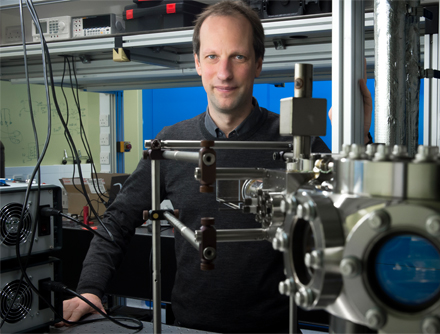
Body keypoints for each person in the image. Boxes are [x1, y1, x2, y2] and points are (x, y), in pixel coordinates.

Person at [59, 0, 372, 332]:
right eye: (212, 57)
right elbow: (117, 221)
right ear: (197, 63)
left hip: (275, 326)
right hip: (190, 326)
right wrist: (90, 288)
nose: (224, 72)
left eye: (238, 56)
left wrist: (359, 138)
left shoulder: (294, 140)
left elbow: (351, 211)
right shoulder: (172, 142)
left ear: (258, 63)